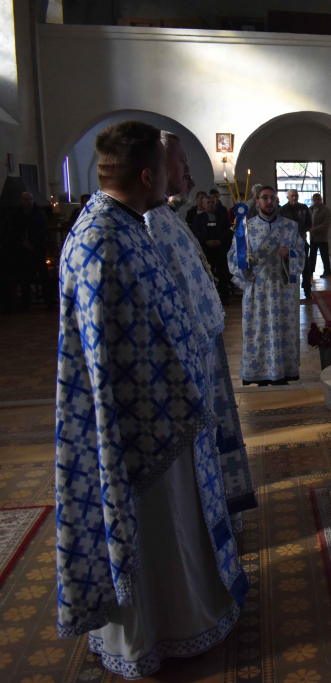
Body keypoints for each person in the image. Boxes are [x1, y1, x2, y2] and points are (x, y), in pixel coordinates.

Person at [55, 121, 247, 679]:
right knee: (157, 530)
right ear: (147, 175)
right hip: (141, 427)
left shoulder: (125, 224)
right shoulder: (101, 240)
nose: (174, 177)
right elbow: (106, 354)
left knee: (175, 528)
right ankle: (158, 633)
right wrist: (171, 397)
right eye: (167, 168)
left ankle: (185, 617)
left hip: (168, 408)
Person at [145, 130, 255, 522]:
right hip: (186, 358)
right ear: (156, 169)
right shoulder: (149, 224)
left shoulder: (167, 217)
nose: (190, 177)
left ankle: (218, 508)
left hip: (205, 347)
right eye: (183, 165)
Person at [228, 185, 306, 385]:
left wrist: (289, 254)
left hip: (282, 290)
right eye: (264, 198)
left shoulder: (289, 226)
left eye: (272, 198)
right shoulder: (246, 227)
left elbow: (302, 254)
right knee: (257, 331)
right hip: (257, 290)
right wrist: (243, 260)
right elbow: (232, 256)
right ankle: (258, 372)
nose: (269, 201)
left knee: (282, 330)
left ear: (277, 201)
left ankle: (282, 372)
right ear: (257, 202)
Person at [9, 191, 54, 309]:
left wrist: (32, 243)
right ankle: (26, 301)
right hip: (22, 249)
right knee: (24, 276)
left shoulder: (39, 213)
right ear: (21, 201)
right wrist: (23, 242)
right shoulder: (16, 214)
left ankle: (48, 300)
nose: (29, 202)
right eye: (26, 199)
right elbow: (14, 230)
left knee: (43, 275)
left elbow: (43, 230)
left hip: (37, 248)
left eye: (31, 199)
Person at [192, 194, 234, 305]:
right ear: (203, 204)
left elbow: (228, 231)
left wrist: (220, 241)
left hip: (220, 249)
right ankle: (208, 297)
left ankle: (224, 297)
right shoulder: (198, 218)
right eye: (208, 202)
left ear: (216, 203)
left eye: (212, 202)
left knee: (223, 274)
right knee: (206, 274)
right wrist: (206, 241)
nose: (210, 204)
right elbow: (196, 233)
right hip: (206, 251)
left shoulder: (223, 217)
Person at [278, 189, 313, 298]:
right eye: (292, 195)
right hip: (288, 243)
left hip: (302, 240)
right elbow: (280, 225)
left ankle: (307, 290)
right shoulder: (282, 210)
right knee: (289, 266)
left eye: (296, 195)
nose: (294, 197)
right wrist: (292, 232)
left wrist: (301, 231)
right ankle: (289, 290)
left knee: (306, 266)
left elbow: (309, 223)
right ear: (288, 197)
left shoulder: (304, 208)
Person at [309, 192, 331, 276]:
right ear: (313, 200)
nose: (317, 201)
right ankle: (310, 271)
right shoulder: (310, 209)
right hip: (313, 237)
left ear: (321, 200)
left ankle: (327, 272)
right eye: (315, 200)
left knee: (324, 255)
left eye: (318, 200)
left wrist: (314, 229)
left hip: (322, 237)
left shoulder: (326, 210)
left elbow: (326, 224)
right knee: (312, 255)